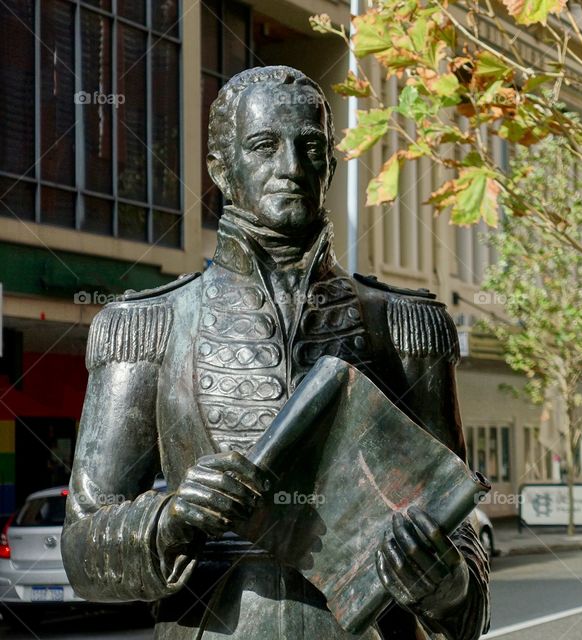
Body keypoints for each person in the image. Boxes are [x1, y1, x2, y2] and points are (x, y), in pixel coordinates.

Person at [61, 66, 489, 640]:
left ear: (330, 165)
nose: (290, 167)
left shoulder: (403, 325)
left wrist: (447, 584)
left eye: (309, 148)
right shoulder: (147, 325)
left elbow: (456, 529)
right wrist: (170, 520)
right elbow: (82, 549)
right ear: (222, 169)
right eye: (264, 146)